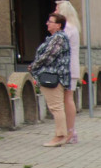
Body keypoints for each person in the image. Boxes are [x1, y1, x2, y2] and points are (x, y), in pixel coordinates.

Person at [29, 12, 72, 147]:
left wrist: (33, 66)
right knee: (57, 106)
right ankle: (60, 135)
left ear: (58, 25)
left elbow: (48, 56)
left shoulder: (58, 38)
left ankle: (60, 136)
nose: (47, 23)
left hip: (53, 76)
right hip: (56, 75)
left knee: (56, 107)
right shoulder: (56, 37)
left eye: (50, 21)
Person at [54, 0, 81, 144]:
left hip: (67, 68)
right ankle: (70, 130)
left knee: (67, 99)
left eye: (57, 9)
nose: (55, 11)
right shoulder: (73, 27)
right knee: (66, 99)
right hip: (70, 67)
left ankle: (70, 130)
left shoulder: (67, 28)